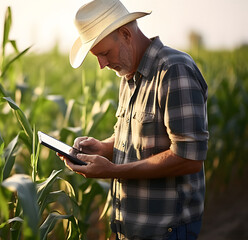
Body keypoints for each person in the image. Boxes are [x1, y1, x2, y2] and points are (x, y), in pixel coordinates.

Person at [59, 0, 209, 239]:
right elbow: (133, 140)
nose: (102, 65)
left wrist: (114, 170)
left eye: (105, 53)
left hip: (166, 230)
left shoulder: (173, 70)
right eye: (97, 57)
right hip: (130, 230)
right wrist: (104, 147)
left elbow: (189, 157)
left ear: (126, 33)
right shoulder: (128, 76)